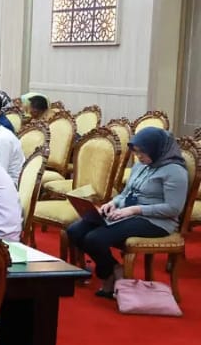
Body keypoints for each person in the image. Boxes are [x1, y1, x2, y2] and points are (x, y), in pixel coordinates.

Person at [66, 127, 189, 298]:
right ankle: (115, 269)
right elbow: (126, 193)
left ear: (156, 149)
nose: (139, 157)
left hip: (156, 222)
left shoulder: (175, 171)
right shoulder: (141, 165)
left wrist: (134, 209)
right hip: (128, 212)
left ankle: (108, 275)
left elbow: (174, 208)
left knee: (95, 238)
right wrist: (112, 203)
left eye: (142, 153)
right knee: (75, 231)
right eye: (137, 152)